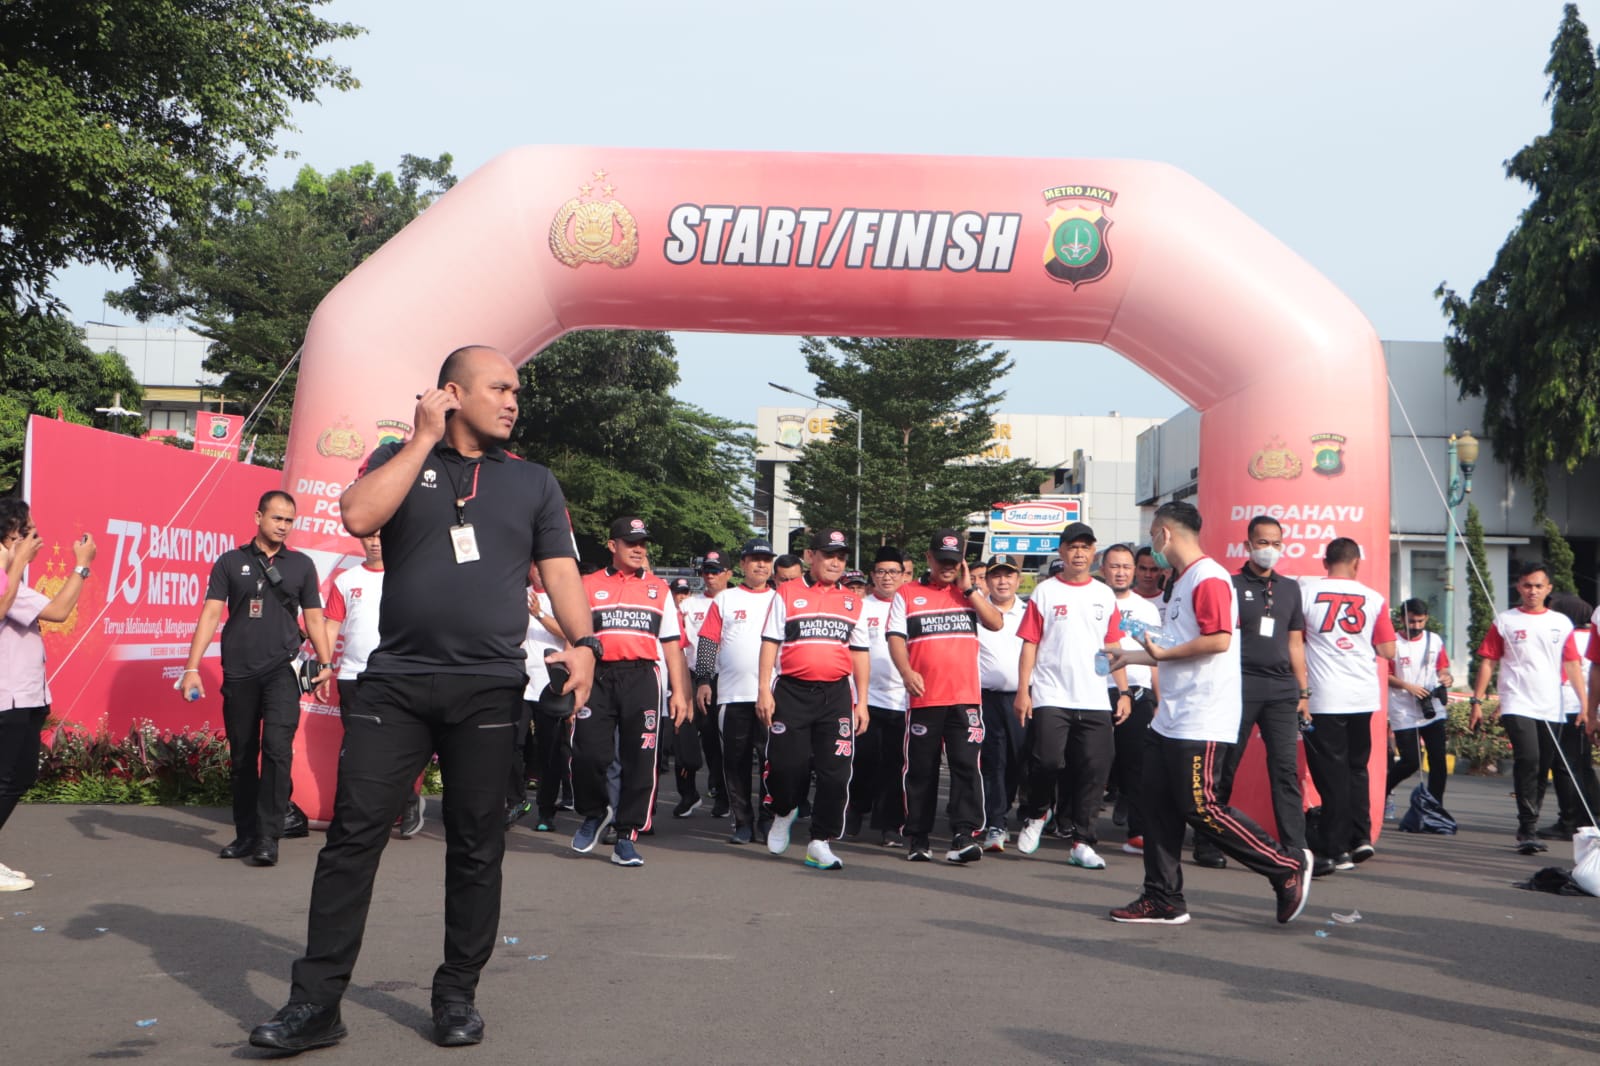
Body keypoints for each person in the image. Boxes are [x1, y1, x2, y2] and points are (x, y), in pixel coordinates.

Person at [250, 345, 598, 1052]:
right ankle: (317, 1004)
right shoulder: (404, 462)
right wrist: (424, 439)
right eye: (499, 388)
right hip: (397, 683)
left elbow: (560, 571)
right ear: (452, 393)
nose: (512, 401)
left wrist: (586, 642)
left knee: (476, 844)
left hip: (489, 687)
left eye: (516, 390)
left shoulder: (533, 482)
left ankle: (456, 993)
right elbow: (356, 515)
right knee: (352, 839)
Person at [1106, 501, 1310, 926]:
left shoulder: (1209, 577)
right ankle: (1162, 898)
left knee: (1202, 807)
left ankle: (1285, 866)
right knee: (1158, 805)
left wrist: (1161, 651)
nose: (1151, 546)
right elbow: (1177, 644)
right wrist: (1128, 655)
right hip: (1172, 717)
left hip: (1203, 715)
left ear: (1163, 533)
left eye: (1152, 535)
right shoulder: (1181, 581)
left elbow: (1217, 640)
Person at [181, 490, 333, 868]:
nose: (283, 526)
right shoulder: (230, 562)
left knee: (279, 751)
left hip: (282, 670)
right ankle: (246, 834)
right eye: (277, 518)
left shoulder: (301, 565)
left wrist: (326, 663)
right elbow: (211, 614)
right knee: (243, 756)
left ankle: (269, 836)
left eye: (289, 520)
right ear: (258, 517)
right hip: (239, 671)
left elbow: (314, 618)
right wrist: (191, 667)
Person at [572, 517, 693, 864]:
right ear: (613, 546)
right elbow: (574, 635)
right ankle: (595, 814)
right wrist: (571, 679)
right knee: (588, 754)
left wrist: (680, 693)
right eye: (631, 543)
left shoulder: (659, 589)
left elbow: (672, 645)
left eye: (643, 543)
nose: (639, 549)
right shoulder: (588, 584)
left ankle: (627, 835)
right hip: (598, 675)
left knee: (641, 760)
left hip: (642, 677)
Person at [1193, 516, 1308, 867]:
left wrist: (1303, 692)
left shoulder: (1290, 588)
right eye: (1262, 542)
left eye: (1275, 543)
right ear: (1248, 545)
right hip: (1238, 687)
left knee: (1285, 771)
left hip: (1283, 692)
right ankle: (1208, 843)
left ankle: (1296, 849)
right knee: (1225, 767)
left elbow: (1296, 644)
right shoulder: (1229, 584)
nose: (1269, 549)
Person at [1014, 523, 1130, 869]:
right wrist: (1024, 690)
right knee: (1047, 761)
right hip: (1051, 693)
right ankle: (1037, 813)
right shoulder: (1045, 592)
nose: (1079, 553)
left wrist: (1122, 691)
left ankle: (1082, 840)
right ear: (1062, 552)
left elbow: (1113, 646)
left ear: (1093, 553)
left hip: (1094, 697)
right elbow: (1030, 644)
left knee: (1095, 769)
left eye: (1085, 547)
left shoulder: (1104, 595)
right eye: (1073, 547)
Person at [756, 528, 870, 871]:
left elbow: (860, 653)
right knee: (787, 766)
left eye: (841, 556)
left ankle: (820, 841)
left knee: (835, 773)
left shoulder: (853, 601)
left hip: (836, 694)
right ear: (811, 556)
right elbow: (770, 643)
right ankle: (784, 809)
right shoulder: (787, 593)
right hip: (791, 691)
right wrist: (763, 689)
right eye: (828, 555)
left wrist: (861, 701)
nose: (835, 562)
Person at [889, 529, 1004, 864]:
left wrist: (969, 588)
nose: (947, 568)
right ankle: (918, 837)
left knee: (967, 767)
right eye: (942, 561)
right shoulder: (908, 593)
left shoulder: (969, 592)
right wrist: (906, 672)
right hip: (925, 698)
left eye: (954, 562)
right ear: (929, 558)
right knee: (921, 770)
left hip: (965, 698)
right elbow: (895, 636)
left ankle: (964, 835)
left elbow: (995, 622)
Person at [0, 502, 90, 893]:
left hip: (27, 695)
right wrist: (81, 566)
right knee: (7, 780)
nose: (38, 539)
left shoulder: (11, 580)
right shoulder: (6, 577)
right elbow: (59, 609)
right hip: (8, 697)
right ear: (11, 536)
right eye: (29, 532)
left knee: (19, 777)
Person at [1470, 561, 1586, 855]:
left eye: (1538, 586)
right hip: (1517, 701)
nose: (1532, 591)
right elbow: (1488, 661)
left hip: (1552, 705)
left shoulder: (1561, 623)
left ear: (1548, 589)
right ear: (1518, 587)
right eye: (1526, 585)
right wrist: (1477, 701)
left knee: (1543, 765)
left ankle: (1530, 823)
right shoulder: (1505, 621)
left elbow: (1572, 664)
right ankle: (1528, 828)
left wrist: (1586, 706)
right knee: (1529, 759)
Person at [1299, 537, 1396, 874]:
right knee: (1357, 768)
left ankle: (1334, 847)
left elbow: (1294, 642)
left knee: (1331, 773)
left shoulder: (1305, 592)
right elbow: (1387, 650)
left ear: (1325, 562)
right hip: (1362, 695)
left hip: (1325, 695)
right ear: (1357, 563)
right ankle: (1361, 837)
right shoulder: (1374, 598)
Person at [323, 532, 426, 839]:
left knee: (396, 748)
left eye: (382, 536)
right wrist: (325, 666)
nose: (375, 542)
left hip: (396, 674)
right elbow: (331, 625)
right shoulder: (346, 580)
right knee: (356, 749)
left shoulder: (407, 575)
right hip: (352, 675)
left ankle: (408, 802)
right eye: (369, 537)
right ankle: (354, 814)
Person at [694, 537, 778, 844]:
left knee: (772, 761)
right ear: (742, 565)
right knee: (736, 762)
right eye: (755, 559)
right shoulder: (725, 600)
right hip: (732, 695)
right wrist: (703, 679)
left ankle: (768, 819)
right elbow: (708, 641)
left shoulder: (781, 599)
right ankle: (742, 821)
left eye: (766, 560)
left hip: (772, 695)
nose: (761, 565)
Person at [847, 545, 910, 847]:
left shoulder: (912, 605)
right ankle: (856, 809)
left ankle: (889, 824)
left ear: (903, 576)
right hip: (867, 699)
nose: (888, 578)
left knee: (895, 764)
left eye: (894, 572)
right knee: (864, 760)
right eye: (882, 572)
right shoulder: (861, 606)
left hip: (904, 700)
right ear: (873, 576)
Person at [1100, 543, 1160, 856]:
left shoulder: (1147, 609)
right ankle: (1073, 824)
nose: (1121, 572)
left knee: (1138, 764)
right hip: (1094, 690)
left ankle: (1138, 831)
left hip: (1137, 692)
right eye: (1115, 566)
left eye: (1126, 566)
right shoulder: (1092, 599)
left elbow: (1157, 657)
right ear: (1103, 569)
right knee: (1090, 763)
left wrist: (1159, 701)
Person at [507, 569, 569, 833]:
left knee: (550, 751)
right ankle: (516, 800)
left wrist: (540, 614)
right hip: (521, 684)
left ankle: (546, 809)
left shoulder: (564, 598)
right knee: (512, 745)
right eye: (536, 566)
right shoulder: (517, 595)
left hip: (551, 686)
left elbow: (569, 632)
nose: (542, 572)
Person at [976, 555, 1027, 852]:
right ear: (987, 580)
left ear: (1018, 579)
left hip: (1023, 696)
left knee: (1019, 761)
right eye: (996, 576)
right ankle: (996, 821)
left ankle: (1011, 810)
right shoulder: (977, 611)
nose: (1003, 581)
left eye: (1009, 575)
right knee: (994, 760)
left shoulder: (1030, 610)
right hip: (986, 697)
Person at [1384, 599, 1451, 818]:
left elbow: (1442, 668)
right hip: (1403, 708)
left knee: (1438, 760)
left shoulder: (1435, 640)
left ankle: (1434, 807)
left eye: (1421, 621)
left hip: (1431, 707)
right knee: (1411, 761)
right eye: (1412, 621)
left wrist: (1445, 678)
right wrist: (1406, 686)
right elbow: (1384, 674)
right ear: (1402, 619)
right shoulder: (1392, 642)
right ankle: (1382, 792)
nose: (1416, 626)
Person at [675, 552, 730, 818]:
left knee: (714, 743)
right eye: (707, 570)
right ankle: (688, 794)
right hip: (690, 677)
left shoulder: (733, 602)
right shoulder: (688, 606)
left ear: (728, 573)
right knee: (682, 736)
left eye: (716, 570)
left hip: (722, 680)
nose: (710, 576)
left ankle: (721, 794)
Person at [1544, 595, 1599, 838]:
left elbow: (1564, 673)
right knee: (1582, 765)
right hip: (1586, 709)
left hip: (1568, 707)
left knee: (1565, 766)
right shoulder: (1590, 635)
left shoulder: (1568, 637)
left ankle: (1570, 819)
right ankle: (1590, 814)